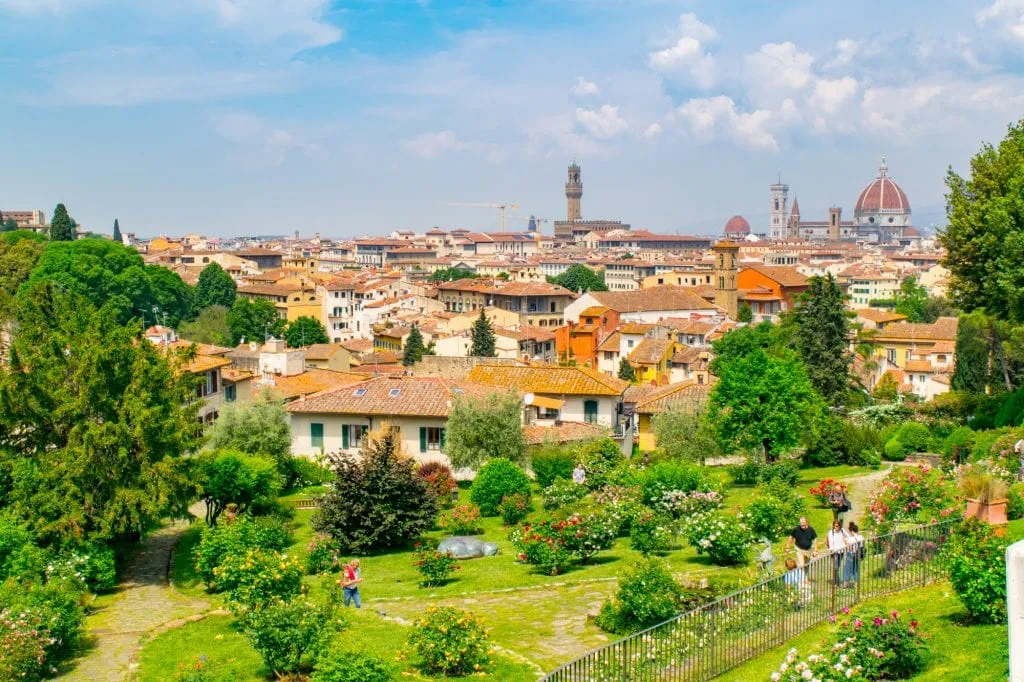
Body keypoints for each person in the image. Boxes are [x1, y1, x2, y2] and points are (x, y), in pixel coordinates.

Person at [843, 521, 865, 586]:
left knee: (847, 569)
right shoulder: (861, 537)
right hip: (858, 555)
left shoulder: (851, 539)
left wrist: (844, 541)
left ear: (852, 531)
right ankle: (856, 583)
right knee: (856, 569)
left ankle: (845, 583)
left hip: (851, 554)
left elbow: (848, 547)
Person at [826, 519, 847, 585]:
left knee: (838, 566)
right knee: (835, 567)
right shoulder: (831, 532)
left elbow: (848, 537)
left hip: (842, 551)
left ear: (840, 526)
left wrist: (845, 541)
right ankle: (836, 582)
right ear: (833, 526)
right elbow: (831, 542)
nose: (836, 527)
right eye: (835, 526)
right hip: (834, 552)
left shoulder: (842, 531)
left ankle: (837, 581)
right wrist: (832, 551)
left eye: (837, 526)